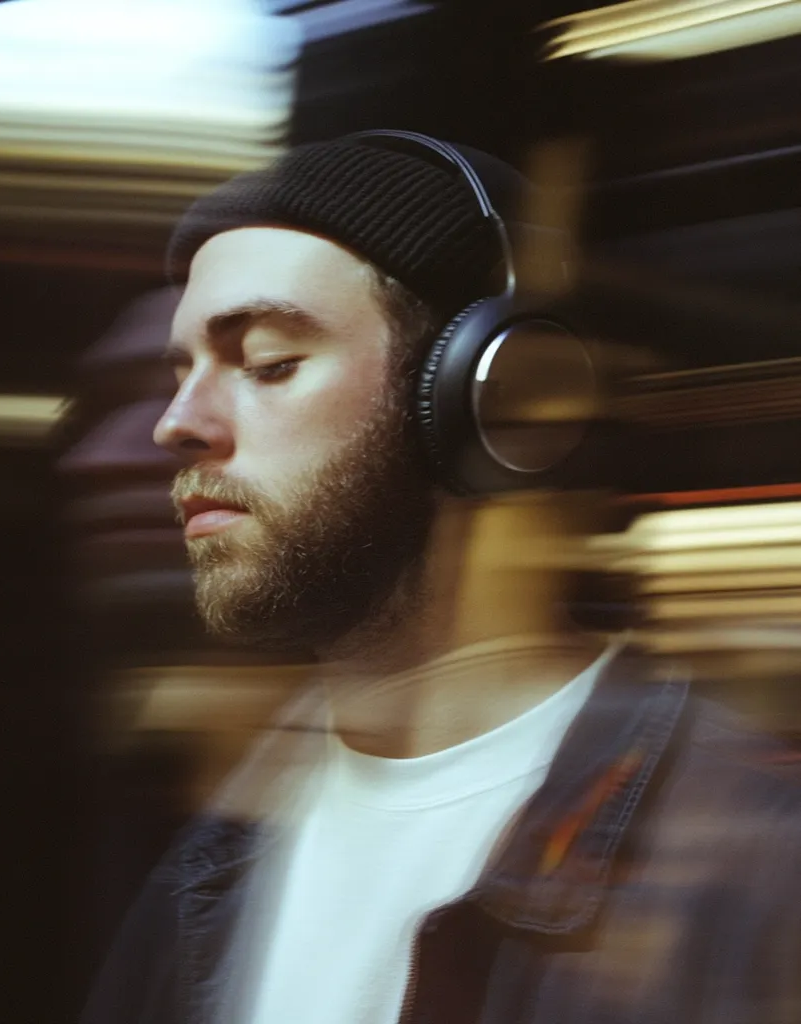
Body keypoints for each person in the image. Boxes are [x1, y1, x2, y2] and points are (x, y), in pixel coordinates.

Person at [82, 132, 801, 1024]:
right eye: (181, 373)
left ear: (480, 401)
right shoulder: (212, 863)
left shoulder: (751, 863)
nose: (175, 425)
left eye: (267, 361)